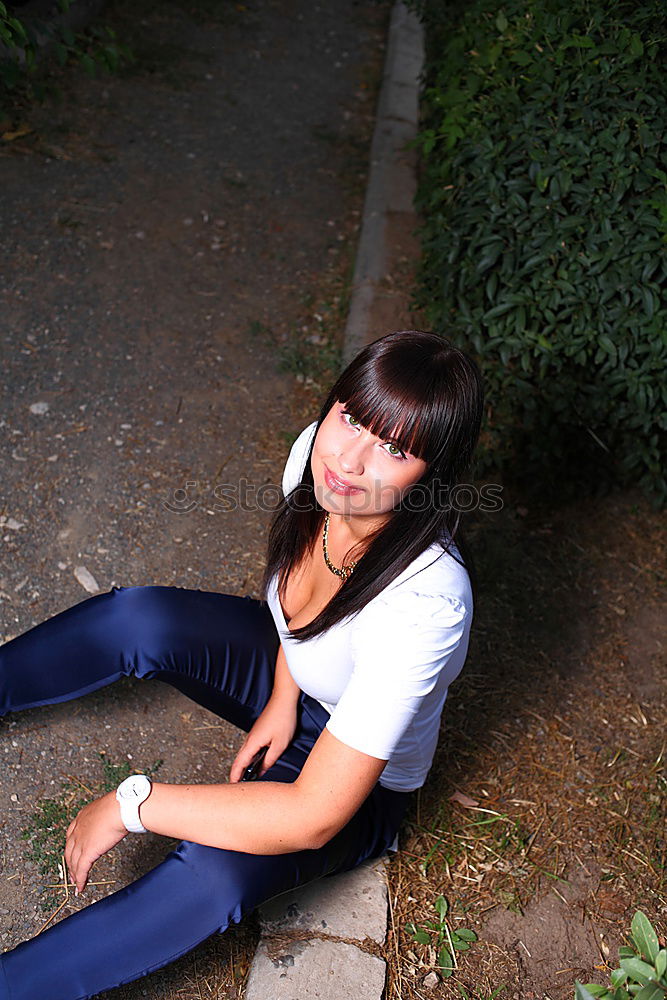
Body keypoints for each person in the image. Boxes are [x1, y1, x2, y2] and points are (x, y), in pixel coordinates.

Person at [0, 329, 484, 1000]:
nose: (349, 459)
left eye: (395, 449)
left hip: (359, 790)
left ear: (430, 475)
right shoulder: (314, 465)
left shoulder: (424, 603)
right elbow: (296, 619)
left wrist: (130, 804)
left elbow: (311, 815)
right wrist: (282, 695)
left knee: (215, 875)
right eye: (349, 416)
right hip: (300, 689)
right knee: (139, 619)